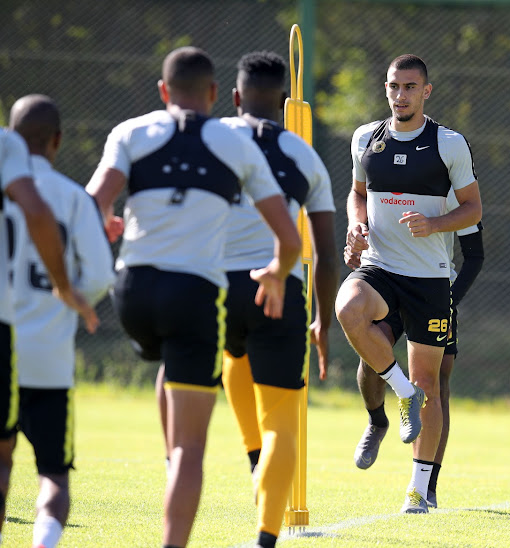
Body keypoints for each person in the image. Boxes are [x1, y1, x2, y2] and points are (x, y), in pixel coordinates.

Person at [86, 46, 301, 548]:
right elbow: (289, 241)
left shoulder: (131, 132)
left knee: (168, 357)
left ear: (163, 92)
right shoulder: (236, 143)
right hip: (194, 294)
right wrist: (274, 274)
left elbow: (93, 202)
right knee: (191, 446)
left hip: (131, 291)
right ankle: (174, 495)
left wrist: (106, 230)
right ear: (213, 95)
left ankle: (167, 458)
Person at [335, 54, 482, 514]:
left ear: (426, 91)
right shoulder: (366, 138)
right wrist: (355, 225)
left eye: (410, 87)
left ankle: (419, 492)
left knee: (432, 383)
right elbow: (357, 194)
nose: (401, 95)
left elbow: (473, 210)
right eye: (394, 87)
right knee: (348, 308)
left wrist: (436, 225)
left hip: (430, 279)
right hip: (380, 267)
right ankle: (400, 392)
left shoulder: (449, 144)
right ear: (386, 89)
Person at [221, 50, 337, 548]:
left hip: (214, 287)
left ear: (233, 97)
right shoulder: (304, 154)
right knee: (283, 422)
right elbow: (327, 255)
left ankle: (254, 459)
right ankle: (267, 536)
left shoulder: (213, 138)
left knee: (232, 357)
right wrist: (323, 324)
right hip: (280, 287)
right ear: (285, 100)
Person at [5, 95, 115, 548]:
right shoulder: (73, 198)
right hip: (48, 357)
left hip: (2, 345)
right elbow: (101, 277)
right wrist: (68, 299)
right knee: (53, 475)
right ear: (57, 141)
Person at [349, 189, 484, 510]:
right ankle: (377, 420)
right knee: (371, 356)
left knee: (435, 383)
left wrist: (450, 301)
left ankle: (425, 487)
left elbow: (474, 256)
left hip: (432, 292)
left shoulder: (453, 186)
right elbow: (358, 203)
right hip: (387, 283)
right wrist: (355, 237)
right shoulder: (384, 170)